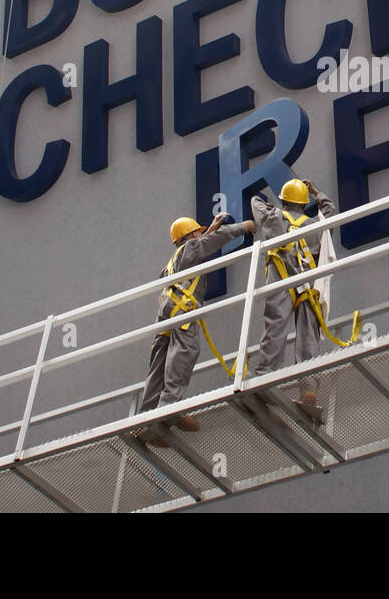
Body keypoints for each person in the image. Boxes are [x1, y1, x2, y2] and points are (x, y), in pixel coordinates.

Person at [132, 211, 254, 447]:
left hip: (166, 309)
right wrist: (246, 226)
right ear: (191, 234)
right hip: (181, 307)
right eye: (198, 231)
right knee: (186, 350)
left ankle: (143, 420)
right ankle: (169, 407)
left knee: (159, 363)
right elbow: (211, 243)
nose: (202, 234)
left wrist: (209, 231)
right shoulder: (190, 249)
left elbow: (200, 249)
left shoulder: (176, 258)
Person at [250, 178, 336, 419]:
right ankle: (308, 386)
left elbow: (255, 203)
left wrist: (269, 203)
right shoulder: (315, 225)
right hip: (308, 287)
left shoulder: (273, 217)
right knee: (308, 337)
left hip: (281, 285)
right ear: (304, 203)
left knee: (275, 330)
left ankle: (265, 379)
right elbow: (330, 212)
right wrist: (317, 192)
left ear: (284, 200)